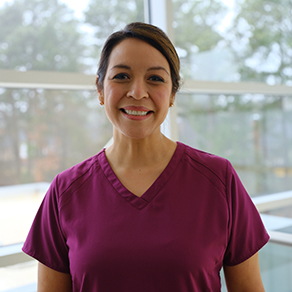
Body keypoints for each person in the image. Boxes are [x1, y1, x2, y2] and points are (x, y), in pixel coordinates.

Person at [23, 22, 269, 292]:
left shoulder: (219, 180)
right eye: (121, 76)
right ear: (100, 90)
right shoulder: (65, 191)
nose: (137, 92)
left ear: (172, 94)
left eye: (155, 79)